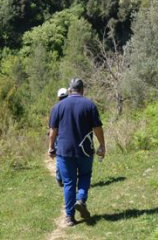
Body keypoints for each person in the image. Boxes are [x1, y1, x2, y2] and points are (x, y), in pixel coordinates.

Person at [48, 78, 106, 227]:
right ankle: (80, 199)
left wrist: (51, 147)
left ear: (69, 90)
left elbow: (53, 131)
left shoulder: (58, 107)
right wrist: (102, 145)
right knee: (85, 175)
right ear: (82, 90)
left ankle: (69, 217)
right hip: (85, 150)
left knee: (68, 182)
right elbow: (97, 128)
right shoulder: (89, 105)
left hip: (64, 151)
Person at [52, 88, 68, 187]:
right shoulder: (71, 107)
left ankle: (59, 178)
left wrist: (51, 144)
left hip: (58, 137)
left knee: (59, 158)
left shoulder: (55, 108)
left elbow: (52, 127)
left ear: (58, 98)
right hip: (70, 136)